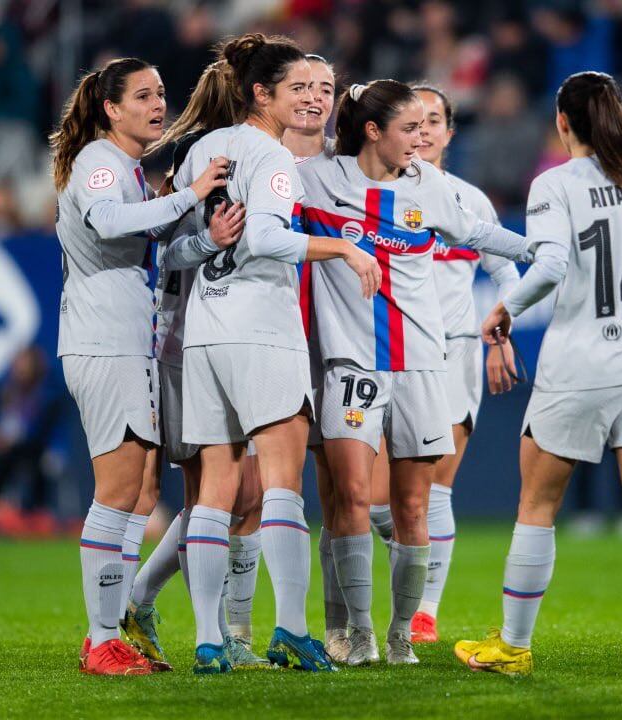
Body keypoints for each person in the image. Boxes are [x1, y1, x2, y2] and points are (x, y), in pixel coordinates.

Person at [451, 70, 622, 680]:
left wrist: (505, 309)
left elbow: (550, 264)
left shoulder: (555, 183)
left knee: (537, 503)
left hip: (583, 359)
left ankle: (514, 648)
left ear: (562, 122)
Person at [298, 78, 531, 666]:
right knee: (350, 495)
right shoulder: (321, 177)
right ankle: (359, 633)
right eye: (408, 128)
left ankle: (402, 633)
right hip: (353, 363)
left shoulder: (430, 186)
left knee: (411, 507)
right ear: (374, 131)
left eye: (428, 128)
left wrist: (540, 252)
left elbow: (477, 234)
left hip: (424, 364)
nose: (419, 141)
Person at [176, 33, 379, 674]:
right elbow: (265, 238)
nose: (309, 99)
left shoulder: (202, 151)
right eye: (295, 88)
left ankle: (210, 640)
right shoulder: (273, 158)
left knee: (215, 491)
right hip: (261, 328)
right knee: (283, 489)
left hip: (204, 328)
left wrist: (212, 245)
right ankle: (291, 629)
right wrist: (343, 248)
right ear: (262, 94)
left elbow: (176, 250)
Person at [49, 56, 228, 676]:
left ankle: (115, 625)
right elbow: (108, 220)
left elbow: (150, 238)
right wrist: (190, 193)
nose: (159, 104)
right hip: (104, 342)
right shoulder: (100, 164)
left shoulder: (124, 165)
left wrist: (205, 234)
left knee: (145, 489)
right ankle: (101, 638)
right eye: (144, 95)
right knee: (120, 491)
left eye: (162, 93)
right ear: (111, 108)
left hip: (130, 341)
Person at [120, 57, 266, 672]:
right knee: (223, 493)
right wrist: (211, 239)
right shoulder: (201, 166)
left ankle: (147, 601)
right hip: (187, 345)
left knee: (235, 494)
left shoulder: (255, 159)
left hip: (236, 337)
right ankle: (223, 632)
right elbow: (170, 253)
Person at [365, 84, 520, 645]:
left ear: (450, 133)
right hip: (383, 351)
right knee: (373, 500)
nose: (425, 130)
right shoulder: (370, 193)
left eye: (435, 121)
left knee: (433, 492)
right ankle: (404, 584)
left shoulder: (468, 201)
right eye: (415, 120)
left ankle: (423, 611)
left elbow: (507, 274)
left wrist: (502, 328)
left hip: (453, 351)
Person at [280, 53, 353, 660]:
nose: (313, 97)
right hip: (270, 338)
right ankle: (236, 629)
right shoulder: (256, 159)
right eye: (300, 86)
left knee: (336, 491)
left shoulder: (347, 169)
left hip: (334, 344)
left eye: (324, 88)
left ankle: (335, 628)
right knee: (251, 490)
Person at [0, 345, 62, 537]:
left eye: (23, 363)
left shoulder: (47, 393)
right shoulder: (9, 392)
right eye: (16, 363)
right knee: (2, 461)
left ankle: (35, 512)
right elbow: (1, 421)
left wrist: (13, 440)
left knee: (32, 460)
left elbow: (42, 431)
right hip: (12, 450)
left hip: (41, 449)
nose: (18, 368)